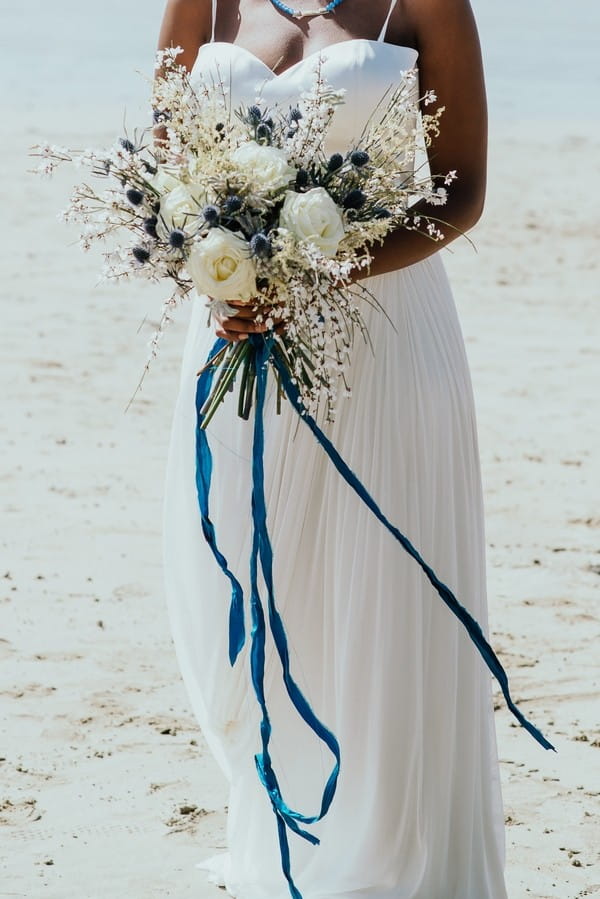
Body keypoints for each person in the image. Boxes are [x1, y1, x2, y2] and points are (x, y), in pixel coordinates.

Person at [159, 0, 509, 896]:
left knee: (381, 599)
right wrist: (218, 263)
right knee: (247, 599)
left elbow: (461, 189)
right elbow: (167, 160)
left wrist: (316, 269)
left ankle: (388, 867)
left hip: (388, 340)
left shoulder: (425, 2)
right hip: (239, 334)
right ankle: (288, 836)